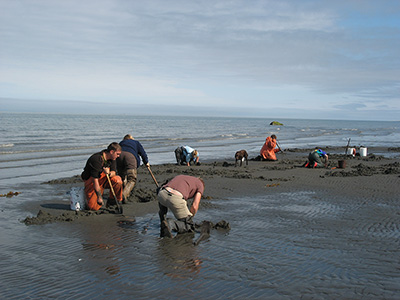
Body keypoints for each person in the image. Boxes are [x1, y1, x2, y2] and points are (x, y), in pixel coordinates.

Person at [81, 142, 123, 211]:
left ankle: (113, 201)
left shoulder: (113, 159)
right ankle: (87, 196)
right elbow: (95, 180)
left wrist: (109, 173)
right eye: (117, 154)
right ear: (112, 152)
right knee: (93, 208)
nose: (118, 156)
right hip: (92, 181)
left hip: (105, 179)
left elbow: (114, 172)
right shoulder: (96, 160)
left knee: (118, 180)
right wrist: (99, 197)